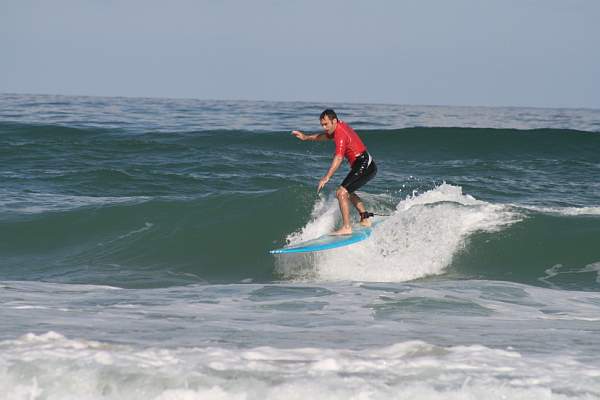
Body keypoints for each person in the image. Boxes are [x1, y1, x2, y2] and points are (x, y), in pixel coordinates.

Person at [292, 109, 377, 235]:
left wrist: (326, 177)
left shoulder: (340, 134)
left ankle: (346, 227)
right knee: (348, 191)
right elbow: (323, 136)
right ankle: (365, 218)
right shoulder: (337, 127)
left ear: (334, 121)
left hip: (365, 164)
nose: (324, 127)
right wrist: (305, 137)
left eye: (326, 124)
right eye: (322, 125)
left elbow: (338, 157)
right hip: (364, 163)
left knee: (341, 193)